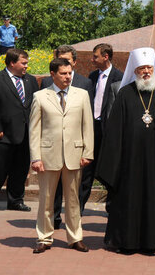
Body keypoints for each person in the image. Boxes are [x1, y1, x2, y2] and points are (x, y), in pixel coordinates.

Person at [96, 48, 155, 254]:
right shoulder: (125, 94)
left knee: (154, 198)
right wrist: (115, 161)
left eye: (149, 68)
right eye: (142, 68)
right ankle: (127, 242)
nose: (146, 72)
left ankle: (153, 241)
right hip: (130, 160)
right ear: (135, 71)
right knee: (129, 199)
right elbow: (114, 130)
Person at [29, 58, 94, 254]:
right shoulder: (40, 96)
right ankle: (44, 237)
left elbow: (87, 126)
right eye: (63, 73)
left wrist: (88, 152)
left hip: (74, 155)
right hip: (48, 156)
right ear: (52, 74)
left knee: (74, 200)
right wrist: (36, 157)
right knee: (46, 200)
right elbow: (34, 129)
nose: (68, 77)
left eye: (70, 73)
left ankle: (75, 238)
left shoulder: (81, 95)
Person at [0, 49, 39, 213]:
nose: (26, 66)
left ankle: (16, 201)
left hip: (25, 134)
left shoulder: (31, 80)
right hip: (3, 134)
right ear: (12, 63)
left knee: (20, 170)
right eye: (23, 62)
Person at [40, 45, 94, 227]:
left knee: (74, 195)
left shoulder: (85, 85)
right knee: (50, 194)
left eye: (68, 62)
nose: (66, 75)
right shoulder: (45, 86)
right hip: (52, 150)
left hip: (74, 149)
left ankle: (74, 228)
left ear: (75, 62)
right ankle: (52, 221)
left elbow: (87, 121)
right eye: (60, 60)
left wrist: (88, 150)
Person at [88, 43, 123, 212]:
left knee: (109, 168)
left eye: (95, 56)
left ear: (106, 56)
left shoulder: (119, 78)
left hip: (109, 129)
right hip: (91, 127)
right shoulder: (92, 76)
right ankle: (79, 207)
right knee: (87, 170)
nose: (92, 59)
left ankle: (112, 207)